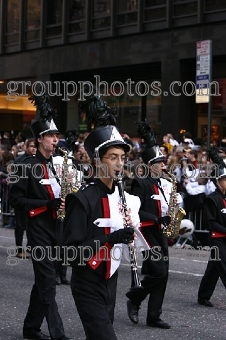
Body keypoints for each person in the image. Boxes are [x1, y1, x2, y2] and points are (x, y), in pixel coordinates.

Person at [62, 94, 147, 340]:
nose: (120, 164)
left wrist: (134, 234)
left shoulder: (125, 198)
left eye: (122, 158)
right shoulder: (82, 199)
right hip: (87, 281)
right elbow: (71, 252)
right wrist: (111, 238)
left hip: (110, 279)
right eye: (113, 157)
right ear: (98, 162)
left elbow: (135, 240)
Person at [9, 93, 72, 340]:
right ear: (40, 139)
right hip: (37, 229)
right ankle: (57, 333)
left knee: (43, 282)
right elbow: (15, 200)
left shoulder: (59, 164)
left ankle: (30, 328)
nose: (56, 140)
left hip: (57, 228)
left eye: (57, 136)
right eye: (52, 136)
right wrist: (46, 204)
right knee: (47, 281)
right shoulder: (24, 165)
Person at [126, 122, 183, 329]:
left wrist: (173, 212)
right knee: (159, 272)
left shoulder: (163, 184)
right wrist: (157, 218)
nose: (163, 166)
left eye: (163, 162)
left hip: (160, 233)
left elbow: (166, 209)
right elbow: (136, 209)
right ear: (150, 164)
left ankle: (154, 316)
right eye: (159, 163)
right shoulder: (140, 183)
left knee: (163, 274)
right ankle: (135, 297)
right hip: (146, 233)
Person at [198, 152, 226, 308]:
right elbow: (210, 222)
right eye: (224, 180)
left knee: (213, 269)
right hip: (217, 238)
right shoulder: (212, 199)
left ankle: (203, 296)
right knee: (224, 266)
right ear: (217, 182)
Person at [13, 138, 36, 258]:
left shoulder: (38, 160)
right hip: (22, 197)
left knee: (32, 225)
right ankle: (19, 249)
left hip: (34, 198)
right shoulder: (20, 161)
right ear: (26, 147)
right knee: (20, 225)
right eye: (31, 146)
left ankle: (30, 247)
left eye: (35, 146)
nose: (33, 149)